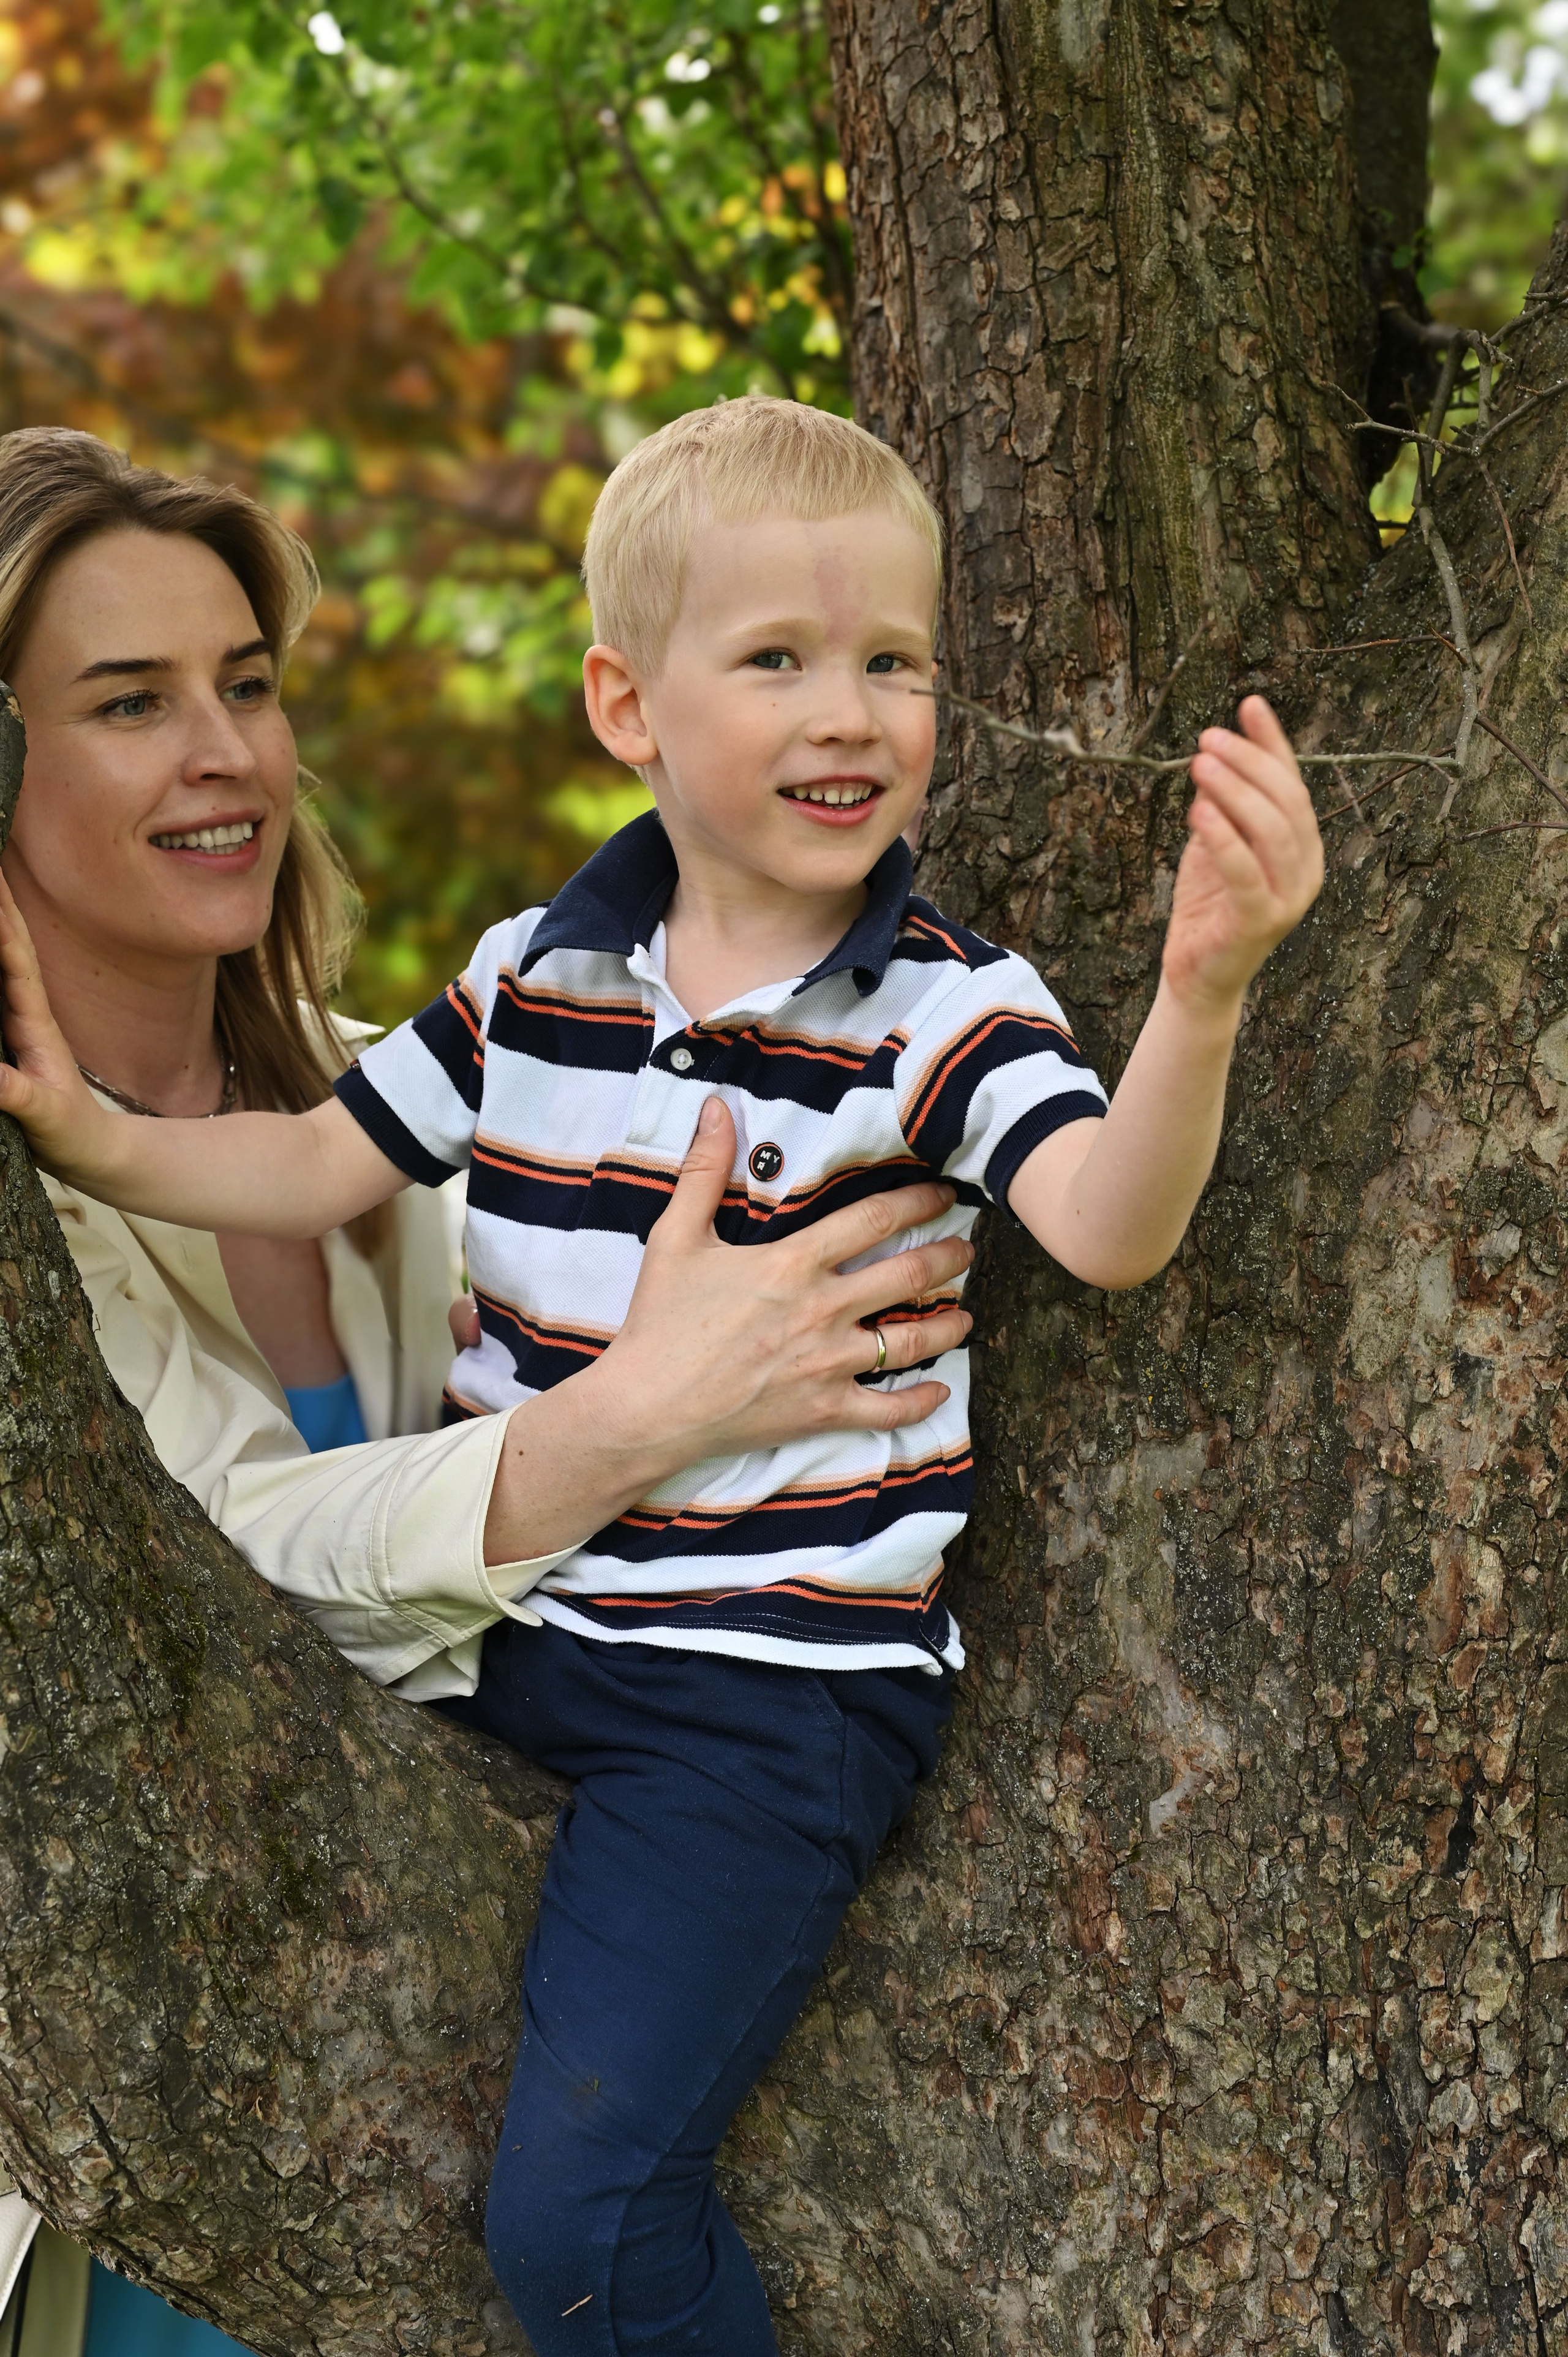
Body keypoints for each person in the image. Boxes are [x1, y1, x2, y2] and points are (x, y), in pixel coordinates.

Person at [0, 396, 1327, 2356]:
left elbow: (1110, 1219)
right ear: (629, 707)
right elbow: (194, 1568)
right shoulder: (535, 997)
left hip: (738, 1710)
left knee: (590, 2215)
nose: (223, 749)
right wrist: (90, 1145)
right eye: (128, 699)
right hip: (255, 2019)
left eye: (249, 684)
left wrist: (1204, 992)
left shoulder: (917, 1009)